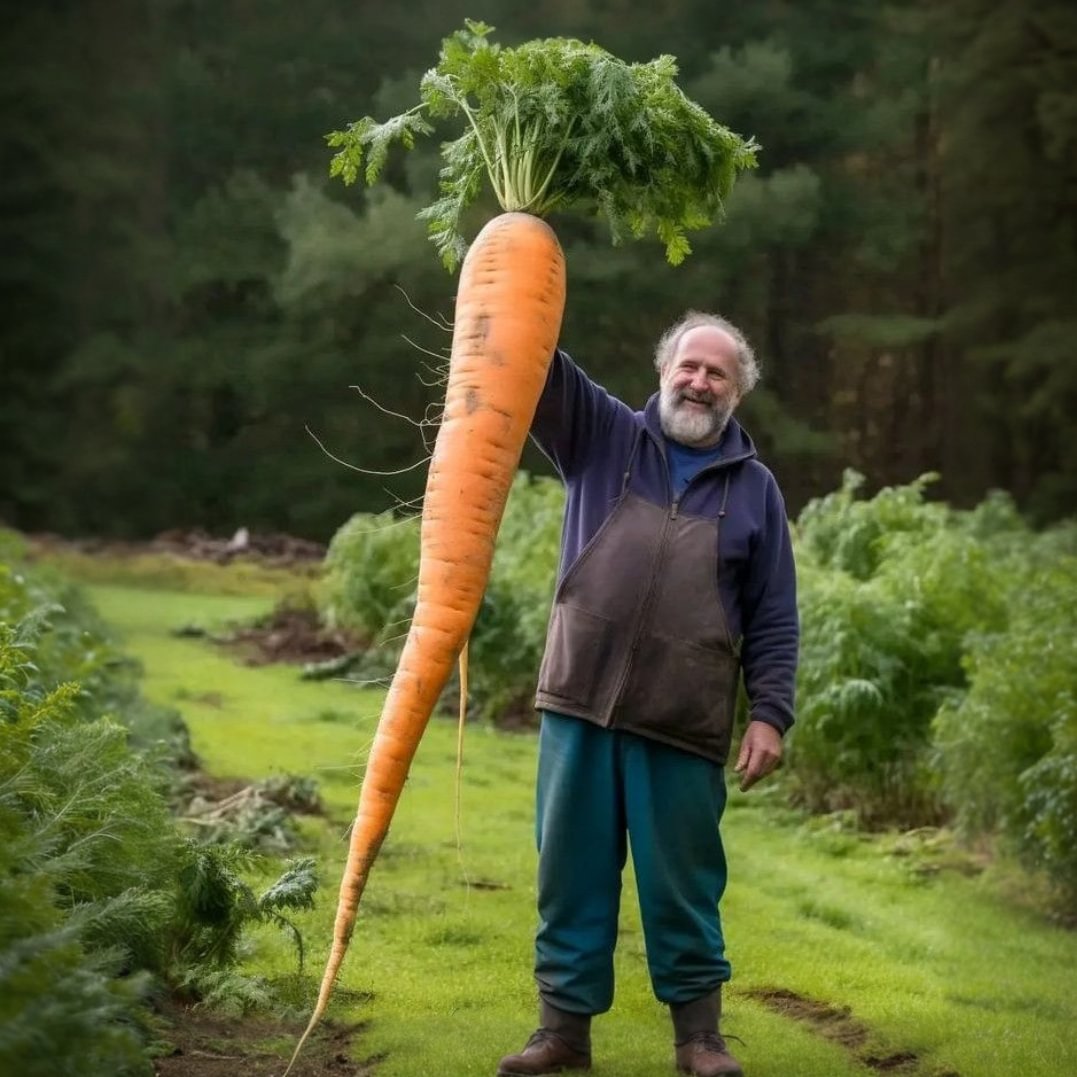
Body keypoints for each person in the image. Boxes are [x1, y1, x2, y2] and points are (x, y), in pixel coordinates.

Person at [496, 312, 799, 1077]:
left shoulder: (756, 491)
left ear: (738, 391)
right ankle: (561, 1033)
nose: (698, 381)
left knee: (684, 887)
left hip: (683, 717)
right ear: (662, 370)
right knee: (569, 873)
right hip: (579, 699)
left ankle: (699, 1039)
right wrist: (520, 251)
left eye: (716, 373)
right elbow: (537, 358)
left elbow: (773, 614)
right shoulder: (601, 435)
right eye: (688, 366)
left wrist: (769, 713)